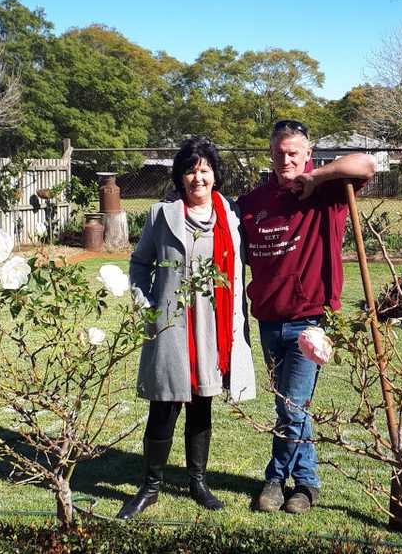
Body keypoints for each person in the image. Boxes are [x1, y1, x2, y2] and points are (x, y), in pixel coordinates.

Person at [237, 120, 376, 515]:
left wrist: (316, 177)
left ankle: (276, 480)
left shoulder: (326, 192)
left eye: (294, 152)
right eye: (280, 152)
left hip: (309, 318)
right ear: (271, 153)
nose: (286, 159)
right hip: (268, 319)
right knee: (292, 405)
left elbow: (366, 165)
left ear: (307, 152)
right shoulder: (253, 202)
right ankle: (308, 484)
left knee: (292, 406)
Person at [118, 137, 256, 519]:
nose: (198, 176)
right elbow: (139, 262)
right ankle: (151, 486)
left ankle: (198, 481)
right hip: (172, 323)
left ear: (215, 175)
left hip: (213, 323)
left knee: (201, 404)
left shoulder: (230, 216)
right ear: (180, 176)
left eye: (205, 168)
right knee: (164, 404)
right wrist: (145, 305)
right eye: (191, 169)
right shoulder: (161, 215)